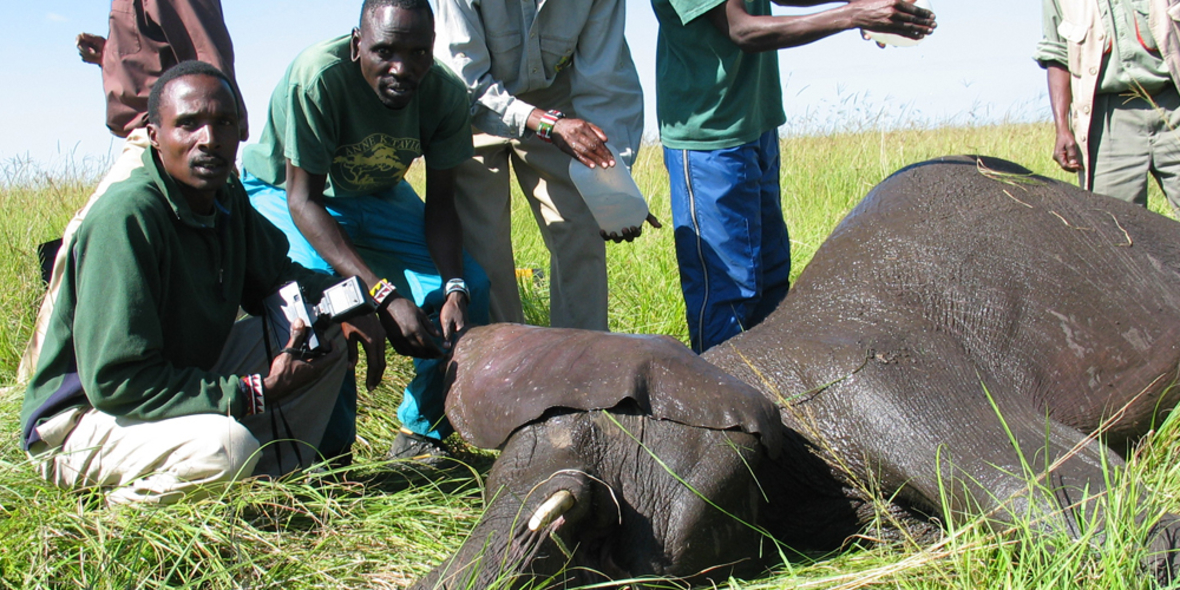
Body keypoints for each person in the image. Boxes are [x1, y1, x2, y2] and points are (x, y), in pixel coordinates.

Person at [20, 61, 385, 505]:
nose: (209, 139)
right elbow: (117, 383)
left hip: (174, 378)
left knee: (325, 333)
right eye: (188, 124)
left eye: (223, 122)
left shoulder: (224, 199)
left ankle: (268, 491)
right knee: (226, 447)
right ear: (155, 135)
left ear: (241, 131)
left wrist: (353, 301)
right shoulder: (128, 218)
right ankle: (114, 517)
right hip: (84, 423)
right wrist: (257, 392)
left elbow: (277, 275)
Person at [240, 0, 490, 463]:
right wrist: (381, 294)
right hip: (286, 191)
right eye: (384, 51)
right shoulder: (317, 78)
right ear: (358, 45)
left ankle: (421, 434)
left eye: (418, 53)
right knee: (327, 301)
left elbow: (441, 205)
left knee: (472, 285)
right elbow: (303, 200)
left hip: (377, 193)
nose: (402, 68)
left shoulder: (445, 93)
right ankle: (328, 455)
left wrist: (454, 288)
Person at [652, 0, 935, 352]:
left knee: (772, 281)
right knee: (729, 296)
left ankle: (772, 384)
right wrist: (853, 15)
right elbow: (743, 29)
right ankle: (723, 384)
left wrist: (860, 3)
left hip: (757, 123)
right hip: (711, 141)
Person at [21, 0, 248, 382]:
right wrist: (111, 55)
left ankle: (42, 390)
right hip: (159, 135)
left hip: (169, 139)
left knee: (81, 241)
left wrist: (223, 138)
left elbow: (206, 54)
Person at [434, 0, 659, 331]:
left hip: (556, 103)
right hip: (471, 107)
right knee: (484, 252)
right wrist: (545, 124)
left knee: (581, 234)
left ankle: (583, 354)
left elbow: (606, 80)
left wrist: (614, 186)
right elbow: (465, 79)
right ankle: (506, 355)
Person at [1036, 0, 1180, 214]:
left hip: (1173, 102)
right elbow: (1056, 54)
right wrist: (1062, 128)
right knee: (1116, 222)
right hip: (1109, 120)